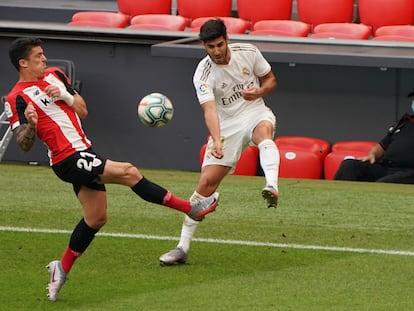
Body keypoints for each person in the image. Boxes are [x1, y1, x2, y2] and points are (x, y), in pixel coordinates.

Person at [4, 37, 220, 302]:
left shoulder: (55, 75)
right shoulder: (16, 98)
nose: (44, 59)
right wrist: (32, 126)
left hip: (84, 151)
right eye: (38, 56)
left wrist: (65, 95)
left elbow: (82, 110)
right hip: (66, 158)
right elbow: (23, 143)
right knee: (129, 172)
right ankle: (191, 208)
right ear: (23, 63)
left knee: (96, 218)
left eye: (43, 54)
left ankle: (61, 268)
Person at [159, 19, 280, 265]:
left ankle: (272, 186)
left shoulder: (249, 52)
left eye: (219, 44)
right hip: (227, 126)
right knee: (206, 183)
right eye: (210, 46)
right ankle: (182, 247)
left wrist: (259, 92)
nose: (216, 50)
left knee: (264, 133)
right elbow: (210, 110)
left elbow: (271, 80)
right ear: (204, 45)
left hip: (255, 110)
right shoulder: (203, 73)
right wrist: (216, 140)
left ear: (227, 39)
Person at [334, 110, 414, 184]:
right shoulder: (403, 124)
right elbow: (381, 146)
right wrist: (372, 155)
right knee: (350, 165)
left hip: (409, 172)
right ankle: (334, 197)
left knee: (385, 182)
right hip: (387, 168)